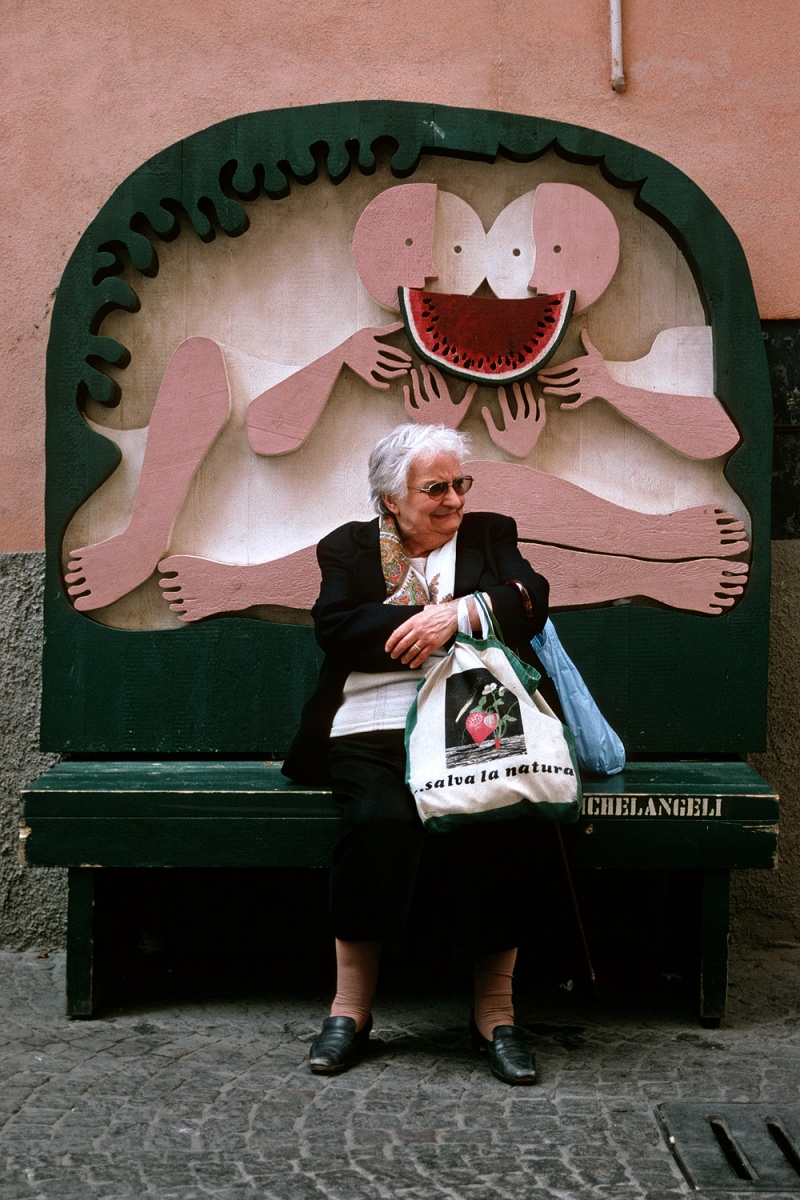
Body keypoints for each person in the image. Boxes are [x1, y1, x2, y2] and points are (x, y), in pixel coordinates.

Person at [282, 423, 550, 1084]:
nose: (454, 499)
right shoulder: (347, 548)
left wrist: (455, 615)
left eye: (461, 484)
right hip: (372, 721)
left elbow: (530, 601)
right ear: (392, 499)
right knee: (377, 820)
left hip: (474, 715)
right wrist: (453, 616)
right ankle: (350, 1010)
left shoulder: (491, 533)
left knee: (500, 817)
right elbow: (338, 627)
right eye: (436, 489)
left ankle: (496, 1013)